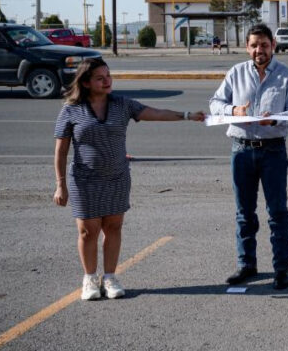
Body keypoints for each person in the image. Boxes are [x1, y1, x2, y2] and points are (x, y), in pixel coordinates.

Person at [53, 57, 205, 300]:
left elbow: (156, 113)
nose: (107, 81)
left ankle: (110, 277)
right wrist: (60, 185)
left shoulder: (122, 104)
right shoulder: (71, 109)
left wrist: (187, 115)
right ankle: (89, 279)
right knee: (87, 231)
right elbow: (61, 151)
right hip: (84, 180)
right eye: (100, 78)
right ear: (86, 82)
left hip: (117, 177)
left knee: (113, 227)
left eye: (108, 76)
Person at [210, 23, 288, 290]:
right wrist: (234, 111)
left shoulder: (286, 75)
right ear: (247, 47)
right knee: (244, 212)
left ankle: (281, 268)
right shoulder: (236, 73)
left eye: (264, 45)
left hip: (273, 151)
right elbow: (215, 104)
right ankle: (246, 264)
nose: (259, 50)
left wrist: (275, 119)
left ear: (273, 45)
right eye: (254, 45)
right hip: (242, 150)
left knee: (277, 212)